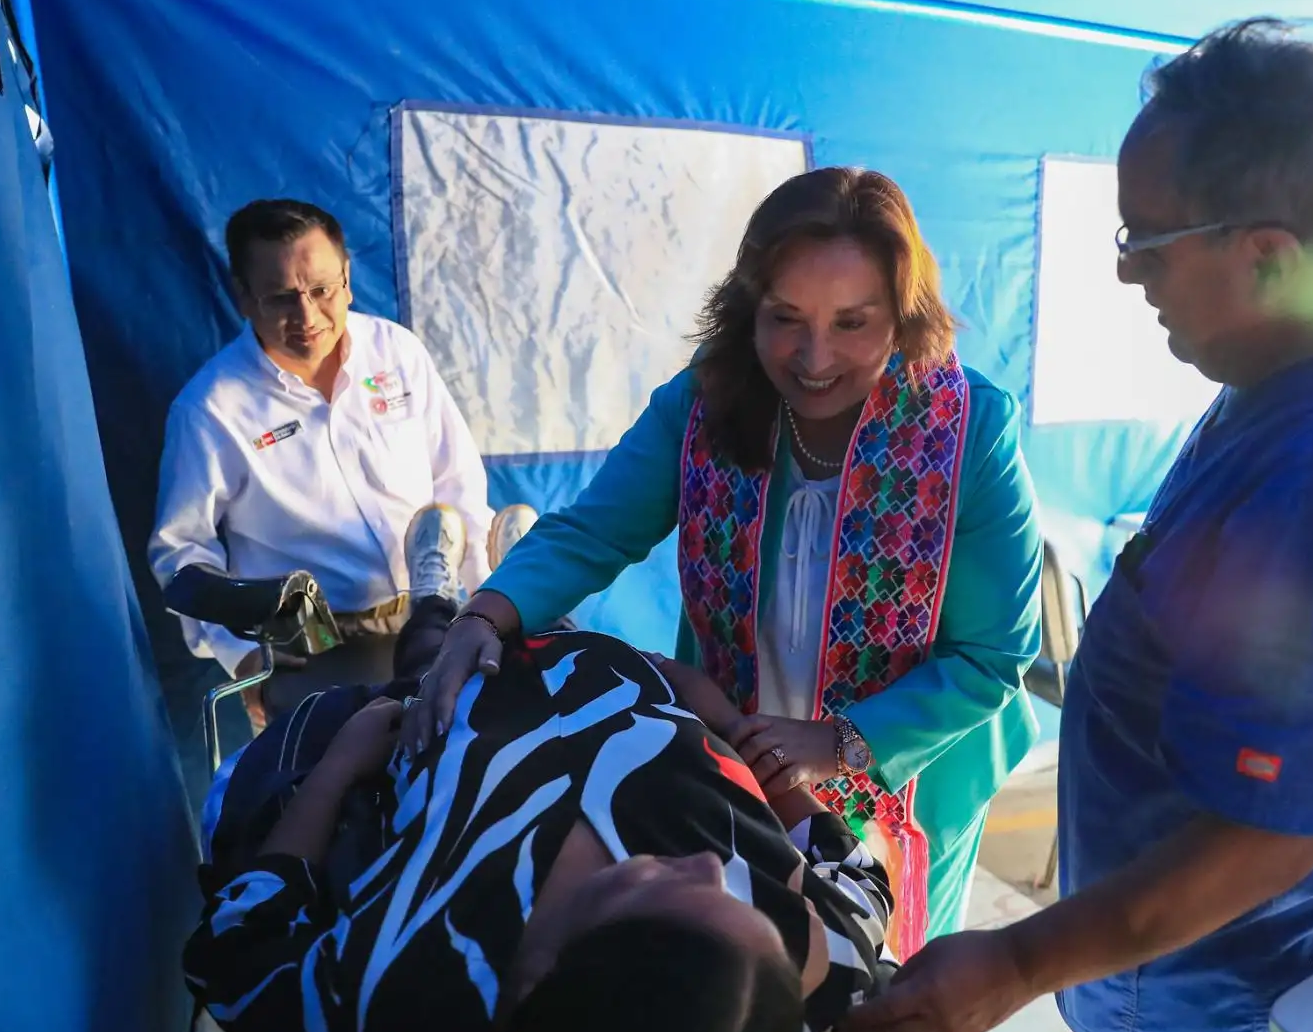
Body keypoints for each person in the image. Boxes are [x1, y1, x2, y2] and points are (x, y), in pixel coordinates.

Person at [834, 20, 1313, 1032]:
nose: (1124, 268)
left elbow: (1270, 832)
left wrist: (1016, 960)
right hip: (1208, 984)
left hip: (1220, 1017)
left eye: (1148, 241)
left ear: (1270, 254)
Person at [399, 167, 1043, 956]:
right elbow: (594, 531)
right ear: (747, 310)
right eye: (785, 319)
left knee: (877, 967)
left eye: (852, 323)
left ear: (903, 318)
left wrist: (841, 742)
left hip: (908, 780)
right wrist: (483, 614)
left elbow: (993, 656)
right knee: (741, 957)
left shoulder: (969, 430)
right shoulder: (706, 401)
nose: (812, 358)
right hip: (736, 753)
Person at [185, 572, 893, 1032]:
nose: (712, 867)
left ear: (538, 976)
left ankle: (435, 590)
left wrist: (339, 768)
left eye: (662, 889)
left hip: (448, 700)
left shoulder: (396, 991)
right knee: (546, 614)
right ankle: (520, 587)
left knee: (433, 642)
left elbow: (238, 944)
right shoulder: (802, 965)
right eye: (740, 905)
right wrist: (726, 723)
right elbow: (858, 873)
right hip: (630, 674)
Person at [147, 198, 528, 723]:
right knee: (351, 781)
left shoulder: (397, 352)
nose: (306, 316)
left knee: (495, 737)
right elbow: (180, 553)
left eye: (321, 290)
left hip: (432, 611)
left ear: (347, 279)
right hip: (310, 648)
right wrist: (242, 657)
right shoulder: (211, 408)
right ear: (243, 297)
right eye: (281, 297)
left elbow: (456, 483)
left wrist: (486, 606)